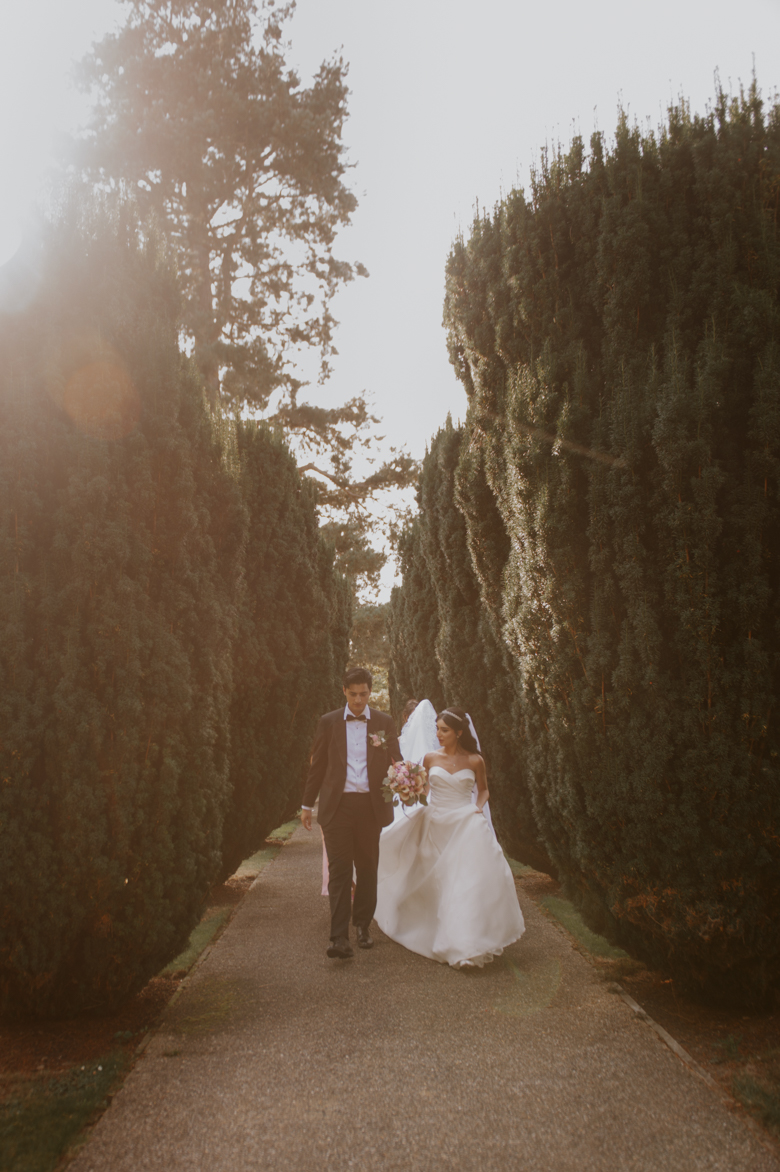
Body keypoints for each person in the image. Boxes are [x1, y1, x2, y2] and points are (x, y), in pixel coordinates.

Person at [375, 706, 525, 968]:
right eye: (437, 729)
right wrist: (409, 790)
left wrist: (477, 809)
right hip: (436, 820)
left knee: (464, 883)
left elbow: (484, 791)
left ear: (458, 732)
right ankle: (421, 922)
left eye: (444, 730)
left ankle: (463, 943)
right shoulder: (430, 758)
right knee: (432, 878)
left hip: (465, 822)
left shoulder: (476, 761)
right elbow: (425, 789)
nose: (438, 734)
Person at [302, 667, 401, 959]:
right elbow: (317, 765)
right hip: (338, 808)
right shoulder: (328, 722)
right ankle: (338, 937)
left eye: (364, 694)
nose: (358, 700)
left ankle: (362, 926)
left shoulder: (384, 722)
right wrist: (307, 804)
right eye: (353, 694)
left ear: (370, 692)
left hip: (371, 809)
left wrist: (406, 780)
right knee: (340, 870)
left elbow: (397, 761)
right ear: (344, 691)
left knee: (368, 869)